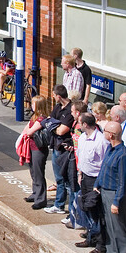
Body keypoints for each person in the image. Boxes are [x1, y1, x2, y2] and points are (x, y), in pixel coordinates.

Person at [92, 121, 126, 253]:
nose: (103, 133)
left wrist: (116, 202)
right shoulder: (111, 149)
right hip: (105, 192)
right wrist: (97, 184)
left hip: (114, 195)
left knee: (119, 229)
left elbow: (123, 182)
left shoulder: (123, 155)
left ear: (111, 134)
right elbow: (103, 168)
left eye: (105, 131)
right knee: (109, 227)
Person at [74, 113, 108, 253]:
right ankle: (90, 236)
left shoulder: (101, 141)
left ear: (85, 125)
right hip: (85, 178)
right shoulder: (82, 138)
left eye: (80, 123)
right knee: (86, 209)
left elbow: (104, 164)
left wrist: (99, 184)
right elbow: (81, 157)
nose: (78, 125)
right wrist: (80, 174)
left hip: (95, 180)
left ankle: (101, 244)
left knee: (96, 211)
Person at [46, 85, 76, 215]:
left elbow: (61, 130)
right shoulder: (58, 107)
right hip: (56, 146)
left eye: (54, 95)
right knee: (59, 178)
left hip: (64, 149)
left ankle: (66, 208)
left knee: (65, 180)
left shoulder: (70, 110)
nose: (53, 97)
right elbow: (48, 120)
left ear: (58, 96)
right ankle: (60, 205)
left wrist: (53, 125)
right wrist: (54, 125)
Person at [22, 95, 51, 210]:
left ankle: (41, 199)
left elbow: (29, 132)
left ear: (38, 105)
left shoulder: (41, 119)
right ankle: (35, 194)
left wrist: (26, 133)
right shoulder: (34, 117)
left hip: (39, 149)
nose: (31, 105)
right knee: (33, 171)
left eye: (33, 104)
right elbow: (25, 129)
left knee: (38, 173)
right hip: (32, 148)